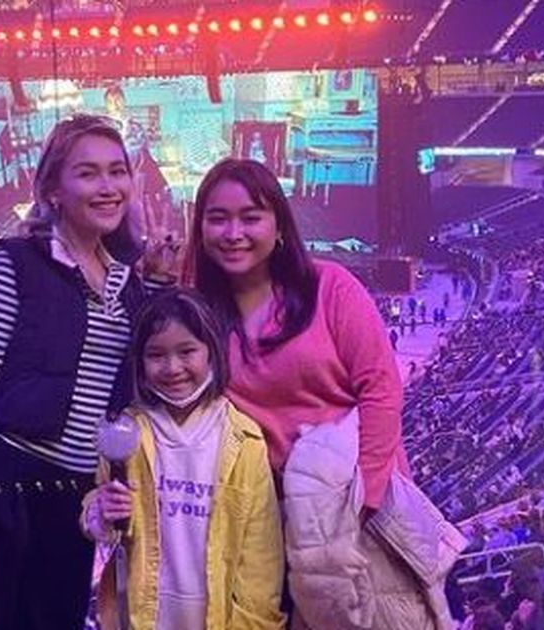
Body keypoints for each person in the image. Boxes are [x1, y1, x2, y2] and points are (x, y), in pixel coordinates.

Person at [0, 114, 167, 629]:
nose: (108, 186)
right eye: (88, 173)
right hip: (0, 491)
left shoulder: (126, 282)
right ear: (53, 189)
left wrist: (158, 284)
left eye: (118, 171)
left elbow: (135, 383)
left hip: (72, 499)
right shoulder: (12, 263)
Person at [186, 158, 458, 628]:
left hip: (355, 511)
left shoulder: (329, 286)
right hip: (266, 523)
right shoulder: (198, 311)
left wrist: (366, 497)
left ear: (278, 226)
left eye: (250, 217)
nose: (233, 233)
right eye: (218, 218)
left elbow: (380, 388)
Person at [82, 289, 285, 630]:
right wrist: (101, 513)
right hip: (142, 616)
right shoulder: (126, 433)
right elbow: (99, 516)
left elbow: (262, 560)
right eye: (156, 355)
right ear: (139, 362)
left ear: (212, 351)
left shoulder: (245, 440)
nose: (172, 367)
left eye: (187, 351)